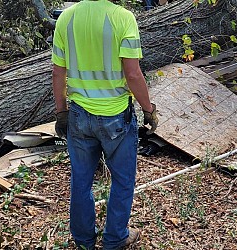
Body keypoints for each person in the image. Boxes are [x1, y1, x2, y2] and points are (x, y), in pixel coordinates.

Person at [51, 0, 158, 249]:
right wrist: (148, 109)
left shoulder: (66, 19)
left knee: (81, 179)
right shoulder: (123, 18)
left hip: (79, 116)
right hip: (116, 117)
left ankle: (84, 240)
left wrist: (61, 112)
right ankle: (115, 238)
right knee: (122, 180)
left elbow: (58, 72)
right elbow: (132, 74)